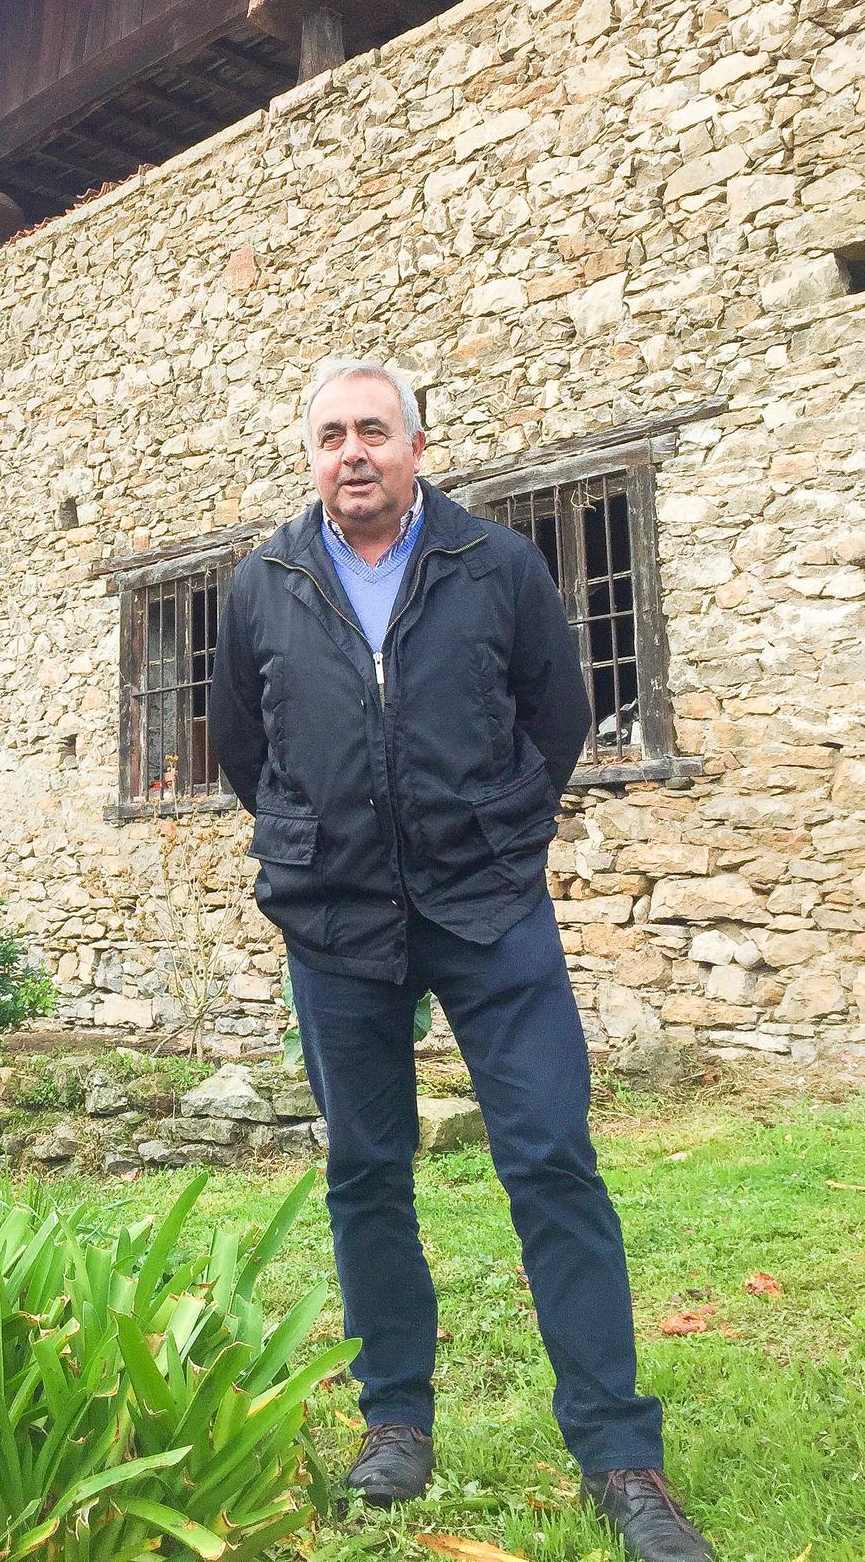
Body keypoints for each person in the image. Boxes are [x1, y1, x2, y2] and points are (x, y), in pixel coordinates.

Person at [208, 357, 711, 1562]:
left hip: (489, 909)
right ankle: (395, 1425)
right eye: (331, 435)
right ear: (310, 456)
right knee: (366, 1171)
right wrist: (310, 836)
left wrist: (496, 832)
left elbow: (558, 715)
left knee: (551, 1157)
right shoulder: (260, 582)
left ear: (417, 447)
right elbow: (240, 744)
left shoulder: (498, 565)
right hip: (336, 922)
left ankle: (618, 1452)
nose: (353, 454)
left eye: (373, 430)